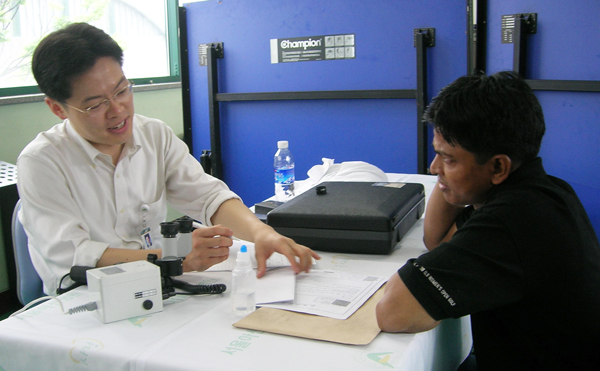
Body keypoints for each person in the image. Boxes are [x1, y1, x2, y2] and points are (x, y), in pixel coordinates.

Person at [17, 22, 320, 296]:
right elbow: (73, 257)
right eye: (96, 105)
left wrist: (260, 233)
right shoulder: (42, 162)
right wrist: (174, 259)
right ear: (58, 109)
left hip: (158, 286)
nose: (118, 110)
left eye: (122, 90)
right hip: (85, 298)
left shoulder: (153, 135)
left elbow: (209, 196)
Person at [375, 71, 600, 370]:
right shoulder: (544, 190)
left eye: (448, 159)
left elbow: (394, 313)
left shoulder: (512, 222)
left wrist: (448, 178)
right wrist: (449, 175)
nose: (433, 168)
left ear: (498, 167)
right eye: (436, 154)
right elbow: (438, 238)